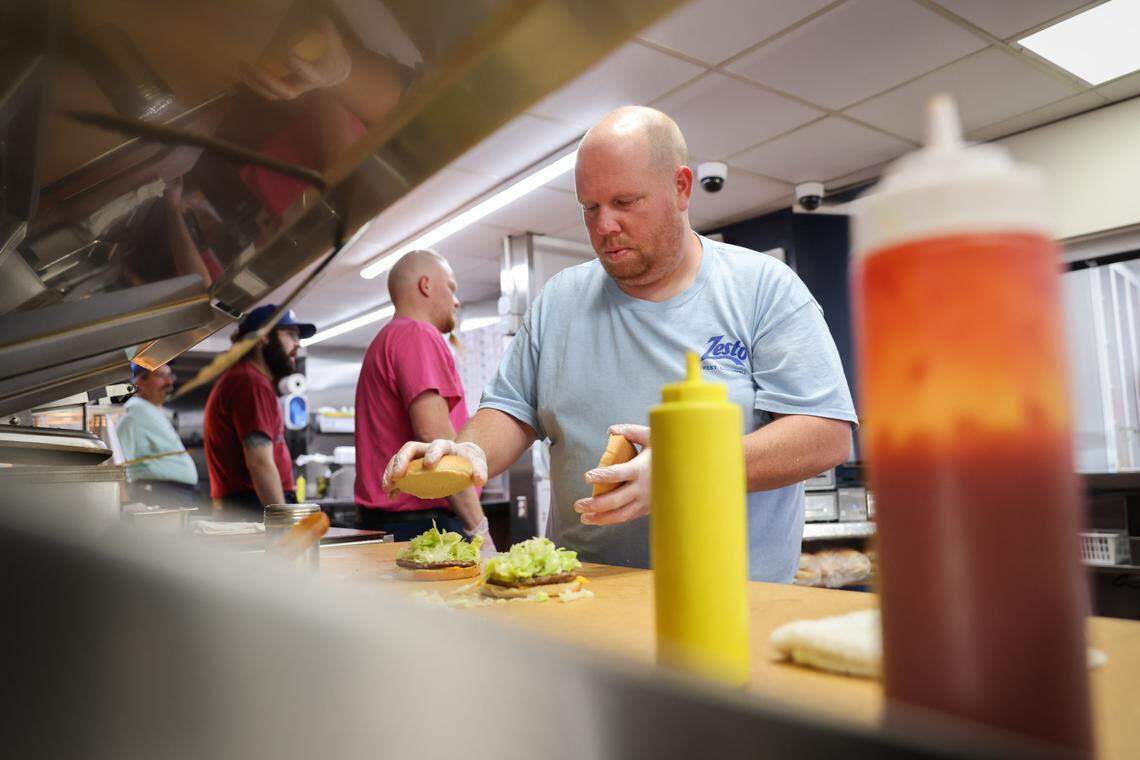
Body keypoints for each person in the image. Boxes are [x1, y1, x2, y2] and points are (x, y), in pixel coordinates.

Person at [384, 106, 856, 583]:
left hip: (732, 602)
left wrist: (688, 468)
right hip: (584, 596)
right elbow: (510, 410)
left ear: (681, 188)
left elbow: (825, 433)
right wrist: (470, 452)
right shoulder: (560, 301)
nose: (604, 225)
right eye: (590, 208)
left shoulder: (763, 288)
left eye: (625, 202)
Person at [355, 250, 494, 548]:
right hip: (423, 524)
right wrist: (479, 528)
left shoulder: (385, 339)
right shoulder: (418, 334)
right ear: (426, 285)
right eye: (451, 288)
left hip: (388, 522)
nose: (456, 301)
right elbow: (436, 441)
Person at [204, 305, 315, 517]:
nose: (298, 343)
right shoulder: (250, 383)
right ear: (264, 336)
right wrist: (283, 524)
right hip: (252, 506)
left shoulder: (243, 379)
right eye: (290, 334)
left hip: (248, 504)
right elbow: (260, 462)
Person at [115, 363, 199, 506]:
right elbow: (117, 462)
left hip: (170, 494)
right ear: (140, 382)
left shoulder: (149, 410)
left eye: (170, 376)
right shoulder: (135, 411)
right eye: (161, 376)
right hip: (159, 494)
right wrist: (125, 503)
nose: (169, 382)